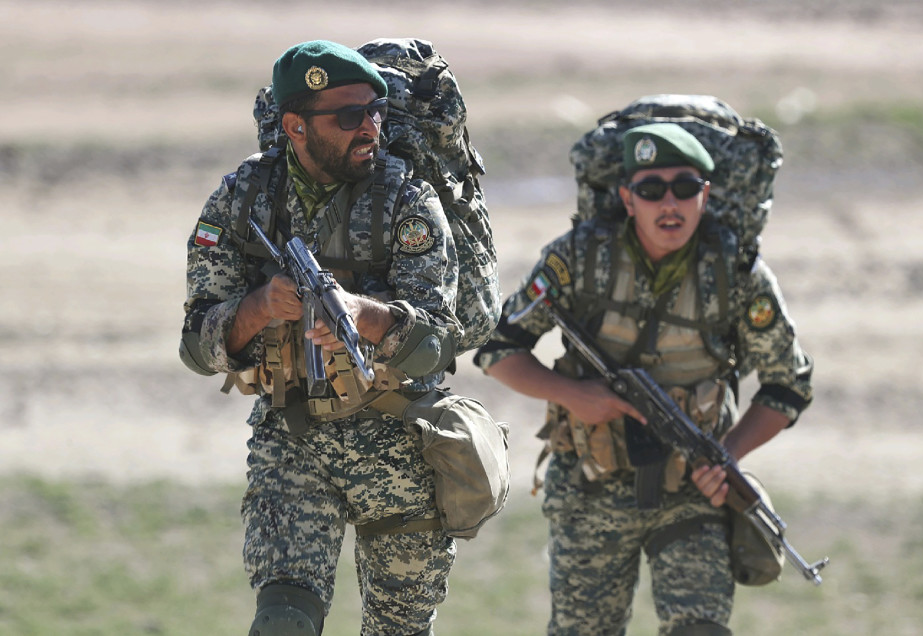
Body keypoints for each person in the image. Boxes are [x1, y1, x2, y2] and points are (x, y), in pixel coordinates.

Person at [181, 40, 481, 636]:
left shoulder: (407, 200)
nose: (369, 126)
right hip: (291, 442)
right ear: (295, 125)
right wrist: (258, 308)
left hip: (400, 451)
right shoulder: (243, 199)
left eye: (375, 109)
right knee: (283, 622)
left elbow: (439, 342)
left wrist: (364, 316)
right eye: (348, 116)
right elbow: (196, 346)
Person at [474, 122, 813, 635]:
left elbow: (788, 386)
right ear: (628, 198)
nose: (668, 204)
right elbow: (497, 350)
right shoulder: (578, 260)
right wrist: (576, 396)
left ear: (705, 194)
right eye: (652, 190)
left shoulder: (734, 274)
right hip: (591, 486)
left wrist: (727, 457)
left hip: (693, 495)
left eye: (684, 188)